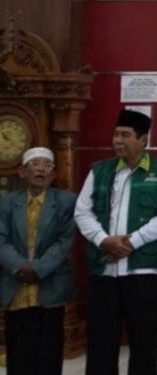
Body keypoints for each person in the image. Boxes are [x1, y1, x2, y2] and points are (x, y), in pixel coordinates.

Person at [74, 109, 157, 375]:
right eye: (116, 134)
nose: (117, 140)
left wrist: (132, 242)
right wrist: (104, 240)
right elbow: (82, 212)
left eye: (125, 135)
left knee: (143, 341)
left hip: (144, 271)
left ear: (143, 139)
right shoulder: (100, 171)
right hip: (105, 269)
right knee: (101, 342)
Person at [0, 147, 75, 375]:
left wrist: (38, 269)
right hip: (16, 284)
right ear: (23, 172)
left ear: (53, 174)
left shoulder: (66, 202)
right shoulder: (6, 202)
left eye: (47, 165)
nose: (41, 169)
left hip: (50, 283)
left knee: (48, 353)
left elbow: (64, 242)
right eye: (35, 164)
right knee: (18, 353)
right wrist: (20, 267)